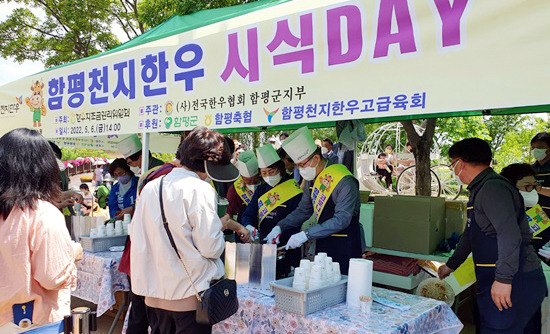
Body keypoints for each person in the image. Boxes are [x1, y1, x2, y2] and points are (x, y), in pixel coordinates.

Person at [130, 127, 239, 334]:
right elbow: (211, 248)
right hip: (189, 297)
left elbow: (138, 237)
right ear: (209, 162)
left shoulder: (152, 186)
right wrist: (220, 226)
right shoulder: (200, 188)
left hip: (154, 294)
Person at [438, 138, 546, 333]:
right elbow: (471, 234)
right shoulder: (480, 189)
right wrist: (452, 264)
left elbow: (509, 235)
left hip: (516, 280)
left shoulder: (493, 189)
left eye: (452, 163)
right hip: (501, 277)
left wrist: (504, 279)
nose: (453, 169)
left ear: (460, 163)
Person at [0, 128, 82, 331]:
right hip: (35, 322)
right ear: (44, 168)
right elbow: (53, 277)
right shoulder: (44, 214)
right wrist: (72, 254)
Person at [264, 126, 362, 275]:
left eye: (302, 165)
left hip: (345, 245)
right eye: (297, 166)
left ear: (316, 158)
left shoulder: (344, 180)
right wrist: (280, 227)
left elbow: (342, 219)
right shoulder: (312, 178)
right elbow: (304, 210)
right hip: (322, 243)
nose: (301, 170)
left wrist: (306, 235)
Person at [239, 145, 303, 276]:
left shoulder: (293, 189)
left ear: (279, 168)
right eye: (263, 173)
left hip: (287, 247)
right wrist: (249, 226)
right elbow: (248, 214)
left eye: (271, 171)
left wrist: (281, 231)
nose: (268, 176)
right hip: (264, 248)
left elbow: (298, 217)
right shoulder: (261, 190)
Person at [223, 150, 262, 242]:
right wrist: (238, 229)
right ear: (242, 177)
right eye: (248, 180)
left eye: (255, 179)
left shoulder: (265, 184)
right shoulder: (235, 189)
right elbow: (229, 215)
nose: (252, 182)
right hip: (243, 230)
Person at [530, 132, 550, 257]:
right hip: (535, 218)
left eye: (540, 146)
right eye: (533, 147)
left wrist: (538, 188)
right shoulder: (531, 169)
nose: (535, 150)